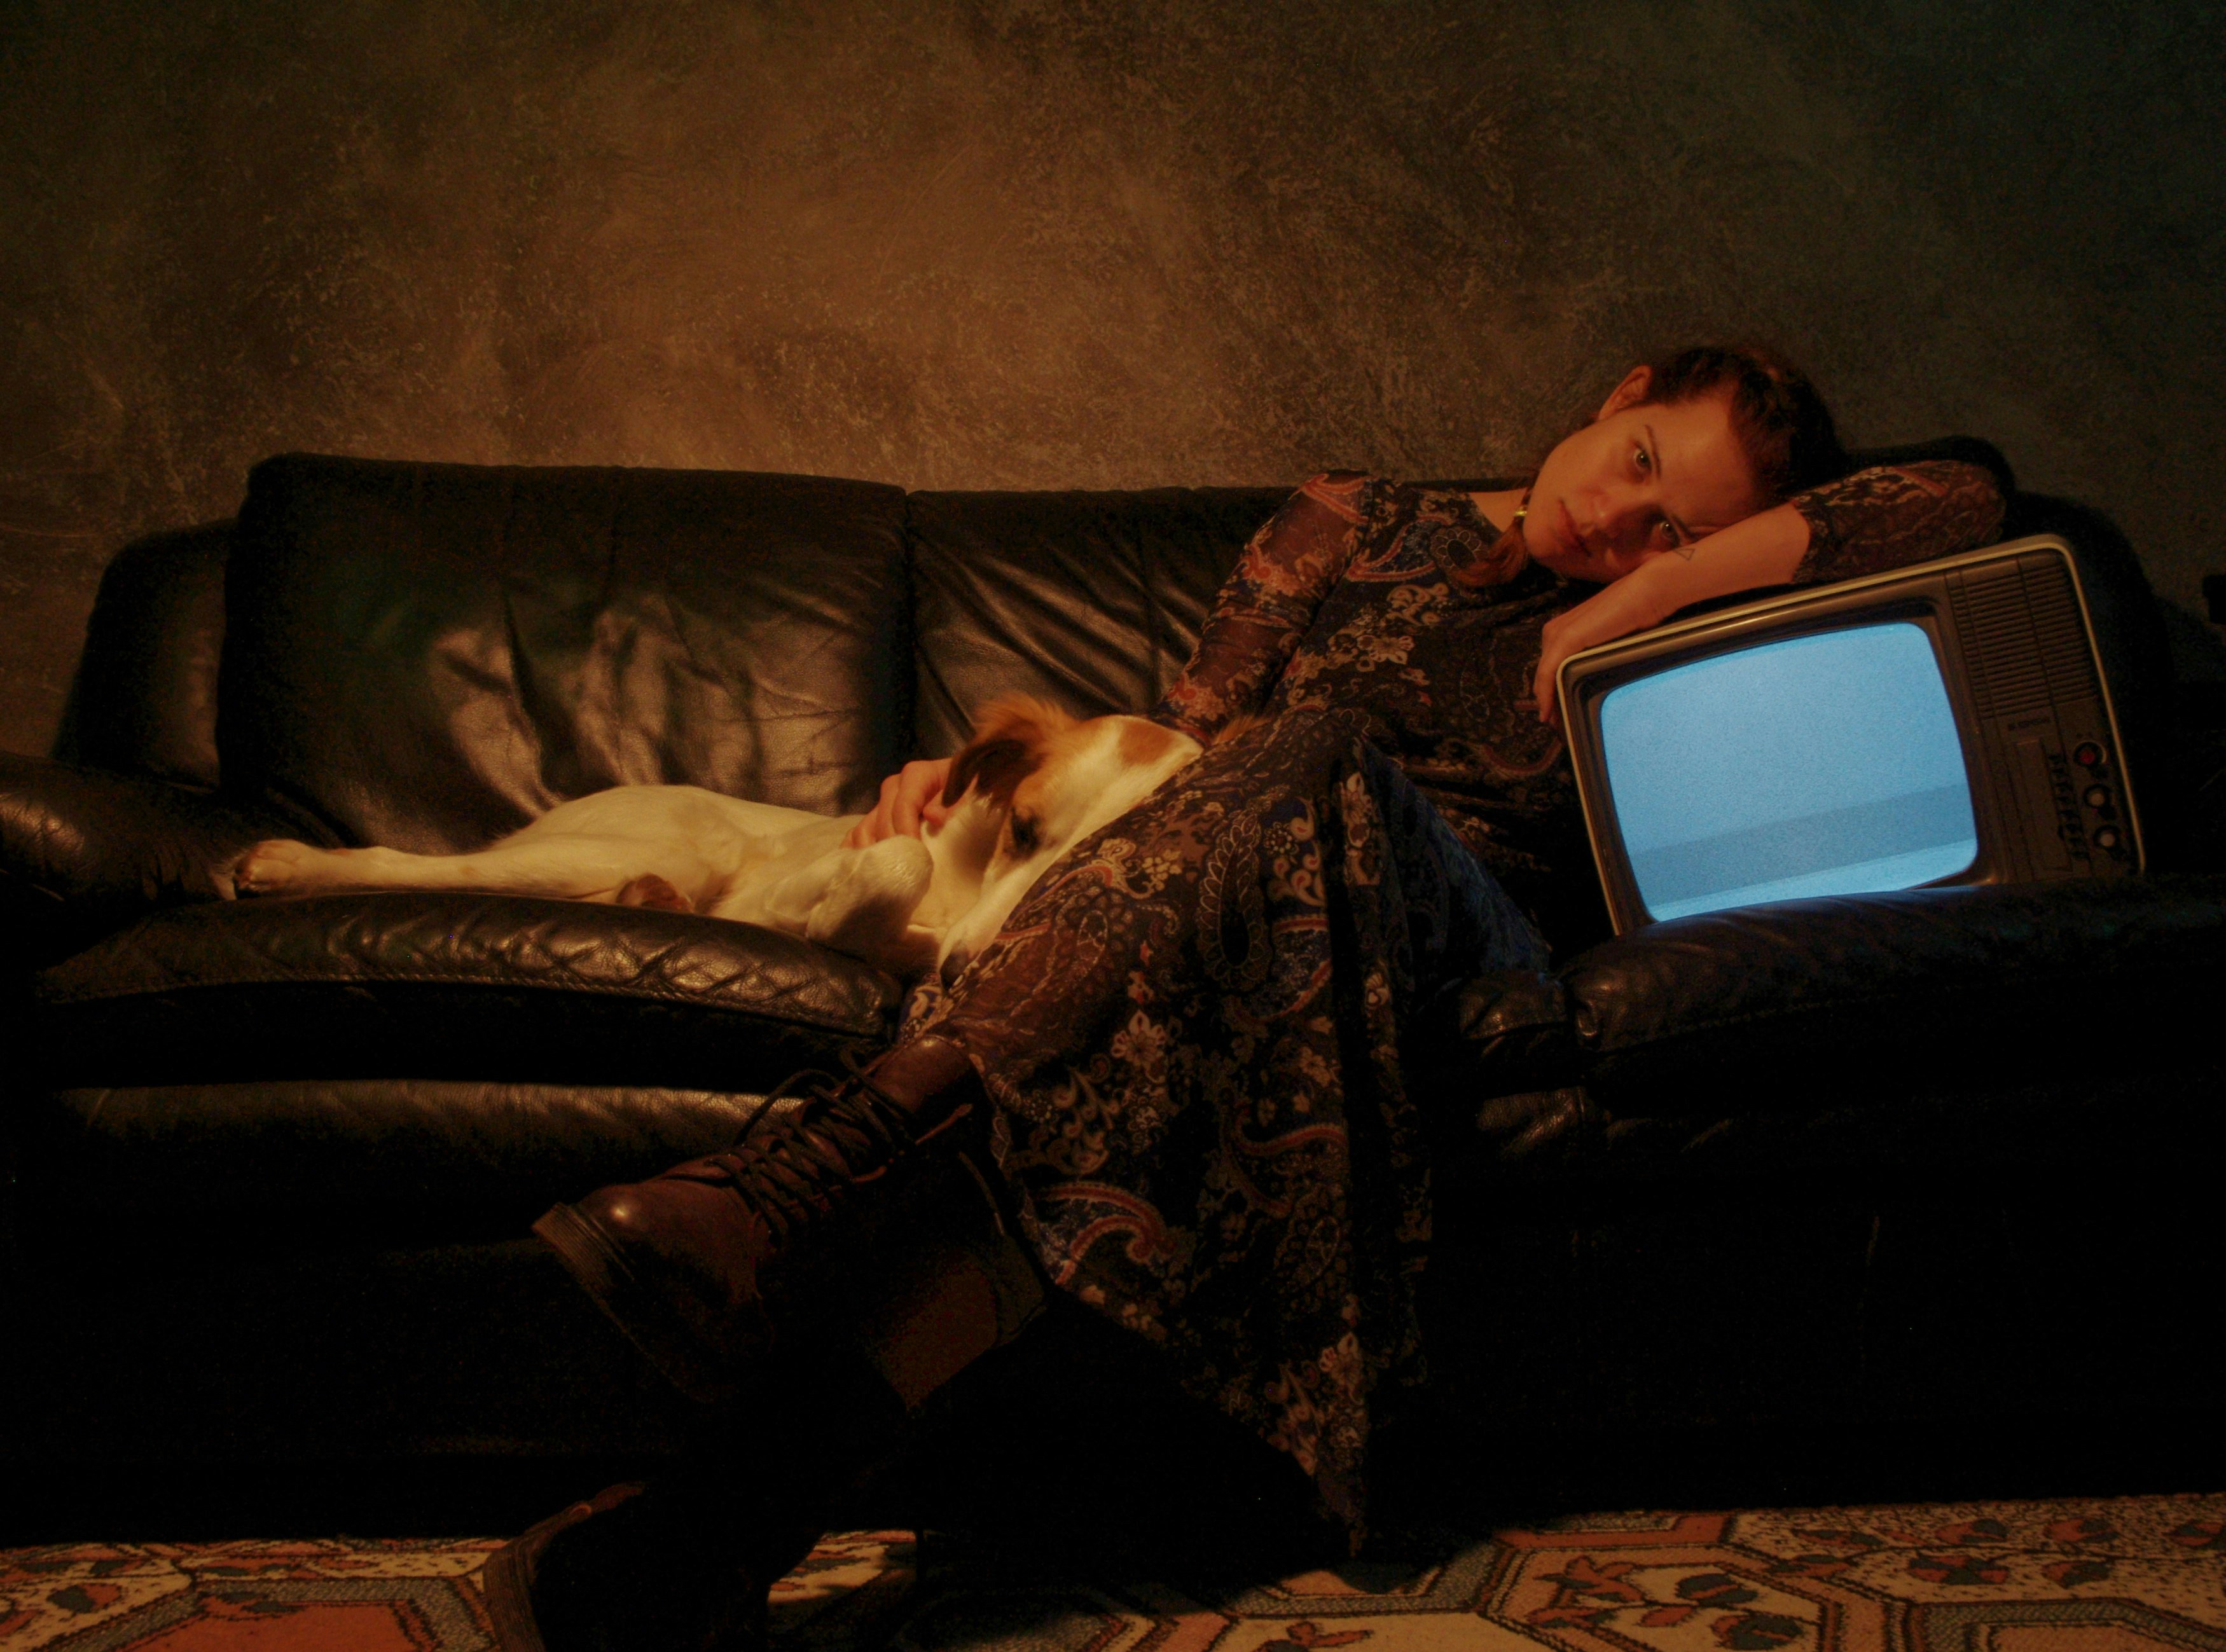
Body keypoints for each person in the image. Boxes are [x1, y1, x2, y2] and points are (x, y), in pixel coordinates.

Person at [483, 346, 2007, 1651]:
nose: (1615, 521)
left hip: (1458, 935)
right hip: (1249, 930)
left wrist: (1664, 589)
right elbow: (1176, 751)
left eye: (1663, 519)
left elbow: (1963, 495)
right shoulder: (1353, 518)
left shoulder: (1672, 607)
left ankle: (812, 1172)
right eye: (1635, 462)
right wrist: (954, 793)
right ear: (1619, 393)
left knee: (1323, 747)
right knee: (1140, 1005)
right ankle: (710, 1538)